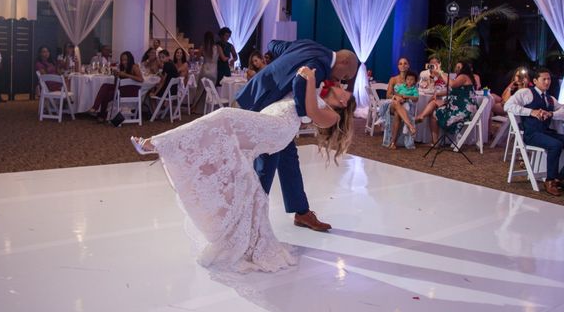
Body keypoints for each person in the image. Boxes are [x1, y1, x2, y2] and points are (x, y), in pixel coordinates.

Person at [130, 65, 355, 272]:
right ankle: (239, 234)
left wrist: (311, 78)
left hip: (277, 127)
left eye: (346, 93)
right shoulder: (316, 92)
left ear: (344, 103)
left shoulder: (332, 115)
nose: (343, 88)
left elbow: (311, 111)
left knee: (224, 116)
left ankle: (157, 143)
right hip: (267, 120)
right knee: (230, 160)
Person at [236, 39, 359, 232]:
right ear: (343, 62)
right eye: (345, 76)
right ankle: (249, 218)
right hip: (267, 111)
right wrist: (302, 115)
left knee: (289, 160)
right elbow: (299, 81)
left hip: (265, 101)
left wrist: (279, 69)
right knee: (265, 166)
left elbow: (274, 44)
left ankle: (301, 212)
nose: (341, 81)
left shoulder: (309, 44)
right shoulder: (321, 65)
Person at [504, 67, 564, 196]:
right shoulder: (525, 93)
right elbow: (507, 106)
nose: (547, 82)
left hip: (545, 132)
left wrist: (551, 114)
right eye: (544, 79)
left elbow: (563, 110)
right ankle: (550, 181)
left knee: (559, 141)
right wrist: (531, 112)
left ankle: (559, 177)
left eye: (549, 79)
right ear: (536, 81)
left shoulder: (550, 98)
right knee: (556, 145)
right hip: (531, 134)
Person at [415, 60, 477, 143]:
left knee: (434, 112)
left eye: (459, 67)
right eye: (456, 67)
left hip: (464, 108)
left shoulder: (463, 76)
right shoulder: (459, 77)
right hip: (457, 104)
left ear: (464, 69)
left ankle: (422, 118)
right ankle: (422, 117)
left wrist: (440, 72)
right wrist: (438, 94)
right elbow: (451, 90)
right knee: (434, 104)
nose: (456, 69)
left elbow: (452, 84)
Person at [90, 51, 143, 122]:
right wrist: (117, 76)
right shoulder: (122, 67)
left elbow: (141, 79)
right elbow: (117, 83)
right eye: (122, 60)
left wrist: (126, 75)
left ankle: (100, 113)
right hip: (121, 89)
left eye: (125, 60)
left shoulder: (134, 66)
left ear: (130, 59)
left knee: (107, 93)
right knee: (105, 88)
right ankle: (98, 111)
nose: (124, 62)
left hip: (130, 91)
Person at [384, 70, 419, 149]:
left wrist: (407, 97)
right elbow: (394, 93)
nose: (409, 81)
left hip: (404, 105)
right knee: (396, 104)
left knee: (397, 114)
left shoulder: (414, 89)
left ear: (414, 81)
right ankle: (409, 125)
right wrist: (399, 97)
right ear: (406, 80)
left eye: (412, 80)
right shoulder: (401, 86)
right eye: (408, 79)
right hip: (394, 104)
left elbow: (416, 98)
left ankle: (393, 142)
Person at [192, 31, 219, 113]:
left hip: (205, 69)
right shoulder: (217, 47)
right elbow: (222, 58)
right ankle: (208, 109)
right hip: (214, 71)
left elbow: (197, 58)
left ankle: (194, 108)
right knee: (210, 90)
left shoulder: (203, 47)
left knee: (200, 90)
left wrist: (194, 56)